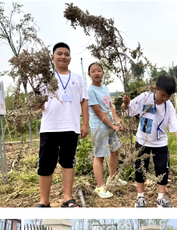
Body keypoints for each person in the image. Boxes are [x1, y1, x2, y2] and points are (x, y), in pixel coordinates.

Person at [36, 42, 89, 208]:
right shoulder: (45, 79)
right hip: (50, 126)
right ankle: (44, 201)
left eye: (66, 54)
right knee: (45, 164)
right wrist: (36, 103)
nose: (63, 57)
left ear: (70, 58)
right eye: (59, 53)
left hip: (71, 127)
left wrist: (84, 124)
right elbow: (37, 102)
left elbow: (84, 101)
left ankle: (68, 198)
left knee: (68, 162)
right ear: (53, 57)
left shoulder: (78, 79)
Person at [122, 75, 177, 208]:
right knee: (140, 168)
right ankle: (140, 198)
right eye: (162, 95)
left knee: (162, 170)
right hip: (142, 141)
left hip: (160, 143)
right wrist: (126, 104)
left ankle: (161, 198)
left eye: (167, 96)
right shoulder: (145, 98)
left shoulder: (169, 106)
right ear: (155, 89)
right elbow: (129, 111)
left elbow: (175, 125)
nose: (164, 99)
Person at [87, 62, 125, 198]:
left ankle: (113, 178)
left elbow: (110, 107)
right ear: (89, 74)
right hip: (100, 126)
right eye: (93, 71)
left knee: (114, 151)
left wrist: (117, 122)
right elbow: (98, 112)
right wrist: (112, 125)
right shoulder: (90, 90)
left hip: (110, 124)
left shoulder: (105, 88)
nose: (96, 73)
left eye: (99, 71)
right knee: (100, 155)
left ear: (103, 73)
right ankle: (99, 187)